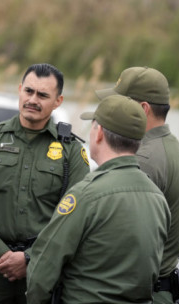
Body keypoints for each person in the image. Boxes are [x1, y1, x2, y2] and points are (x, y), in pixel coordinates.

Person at [0, 63, 90, 304]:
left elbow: (76, 219)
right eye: (29, 91)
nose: (33, 100)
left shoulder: (72, 152)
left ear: (58, 101)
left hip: (44, 273)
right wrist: (3, 254)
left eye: (43, 95)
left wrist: (29, 258)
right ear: (19, 89)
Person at [26, 94, 170, 304]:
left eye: (93, 126)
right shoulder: (157, 198)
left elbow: (42, 269)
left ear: (99, 133)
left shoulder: (86, 195)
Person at [96, 66, 179, 303]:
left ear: (142, 109)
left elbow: (119, 242)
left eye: (119, 103)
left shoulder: (143, 160)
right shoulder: (169, 146)